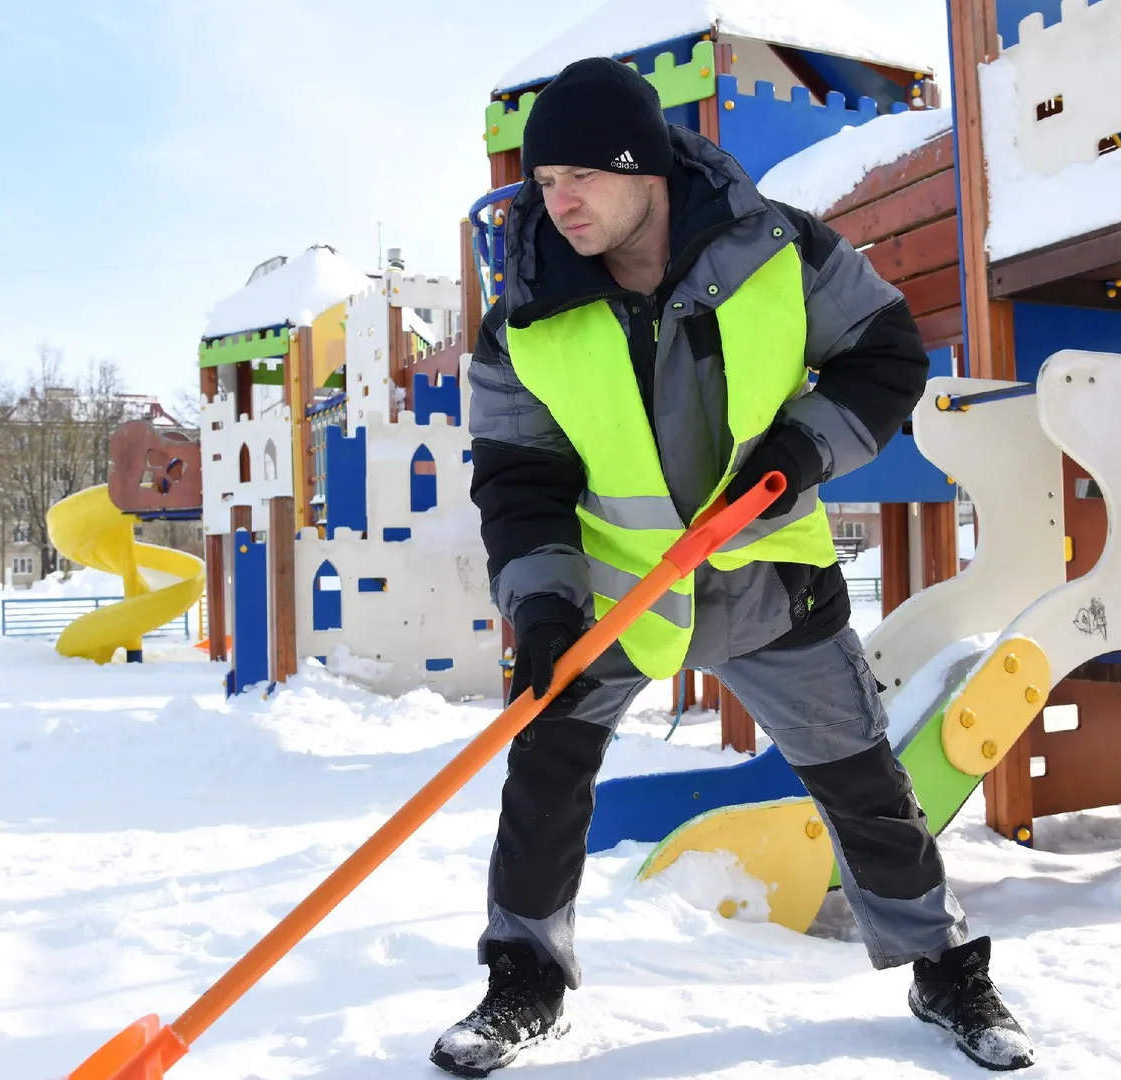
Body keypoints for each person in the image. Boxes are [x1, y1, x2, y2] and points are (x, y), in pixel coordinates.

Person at [431, 57, 1036, 1077]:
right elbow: (518, 475)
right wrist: (541, 610)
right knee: (544, 776)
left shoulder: (781, 252)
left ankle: (944, 965)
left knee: (863, 782)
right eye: (543, 183)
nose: (559, 201)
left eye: (581, 175)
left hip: (767, 576)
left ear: (645, 169)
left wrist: (803, 451)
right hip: (613, 591)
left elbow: (885, 352)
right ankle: (523, 982)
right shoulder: (524, 312)